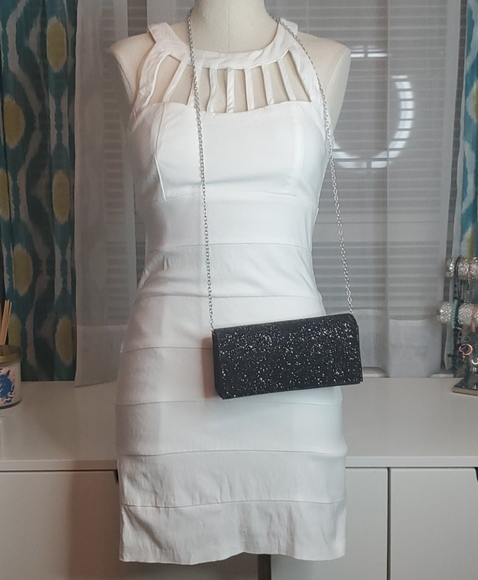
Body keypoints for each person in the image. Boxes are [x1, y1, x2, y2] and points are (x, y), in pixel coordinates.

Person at [109, 0, 352, 565]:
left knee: (290, 552)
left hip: (292, 367)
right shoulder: (136, 58)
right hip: (169, 368)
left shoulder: (325, 60)